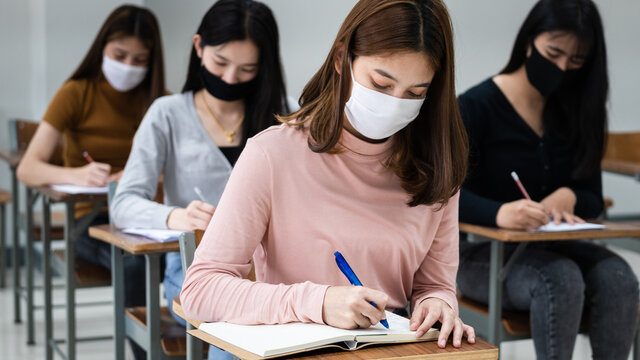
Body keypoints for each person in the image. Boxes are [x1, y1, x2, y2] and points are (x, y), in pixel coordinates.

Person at [181, 0, 475, 350]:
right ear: (341, 60)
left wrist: (438, 303)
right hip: (292, 352)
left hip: (390, 351)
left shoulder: (437, 167)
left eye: (416, 94)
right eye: (381, 84)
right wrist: (318, 303)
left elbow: (434, 286)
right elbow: (201, 290)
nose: (396, 103)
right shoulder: (272, 154)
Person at [456, 0, 639, 358]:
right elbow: (445, 196)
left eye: (575, 61)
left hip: (556, 248)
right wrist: (499, 214)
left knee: (619, 278)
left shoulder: (577, 111)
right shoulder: (475, 107)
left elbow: (592, 199)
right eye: (553, 53)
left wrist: (570, 195)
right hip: (483, 255)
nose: (561, 68)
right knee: (559, 278)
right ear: (528, 41)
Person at [109, 0, 290, 358]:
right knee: (234, 332)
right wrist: (176, 216)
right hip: (198, 266)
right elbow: (123, 204)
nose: (229, 78)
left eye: (247, 68)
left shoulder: (285, 114)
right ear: (198, 47)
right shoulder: (167, 114)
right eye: (220, 62)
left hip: (278, 267)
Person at [16, 5, 165, 359]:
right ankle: (149, 353)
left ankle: (186, 347)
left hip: (147, 219)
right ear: (102, 48)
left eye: (139, 59)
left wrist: (138, 176)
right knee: (135, 262)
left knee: (188, 262)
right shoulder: (76, 93)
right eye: (120, 55)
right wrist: (77, 175)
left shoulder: (159, 102)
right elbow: (28, 169)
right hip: (91, 222)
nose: (128, 66)